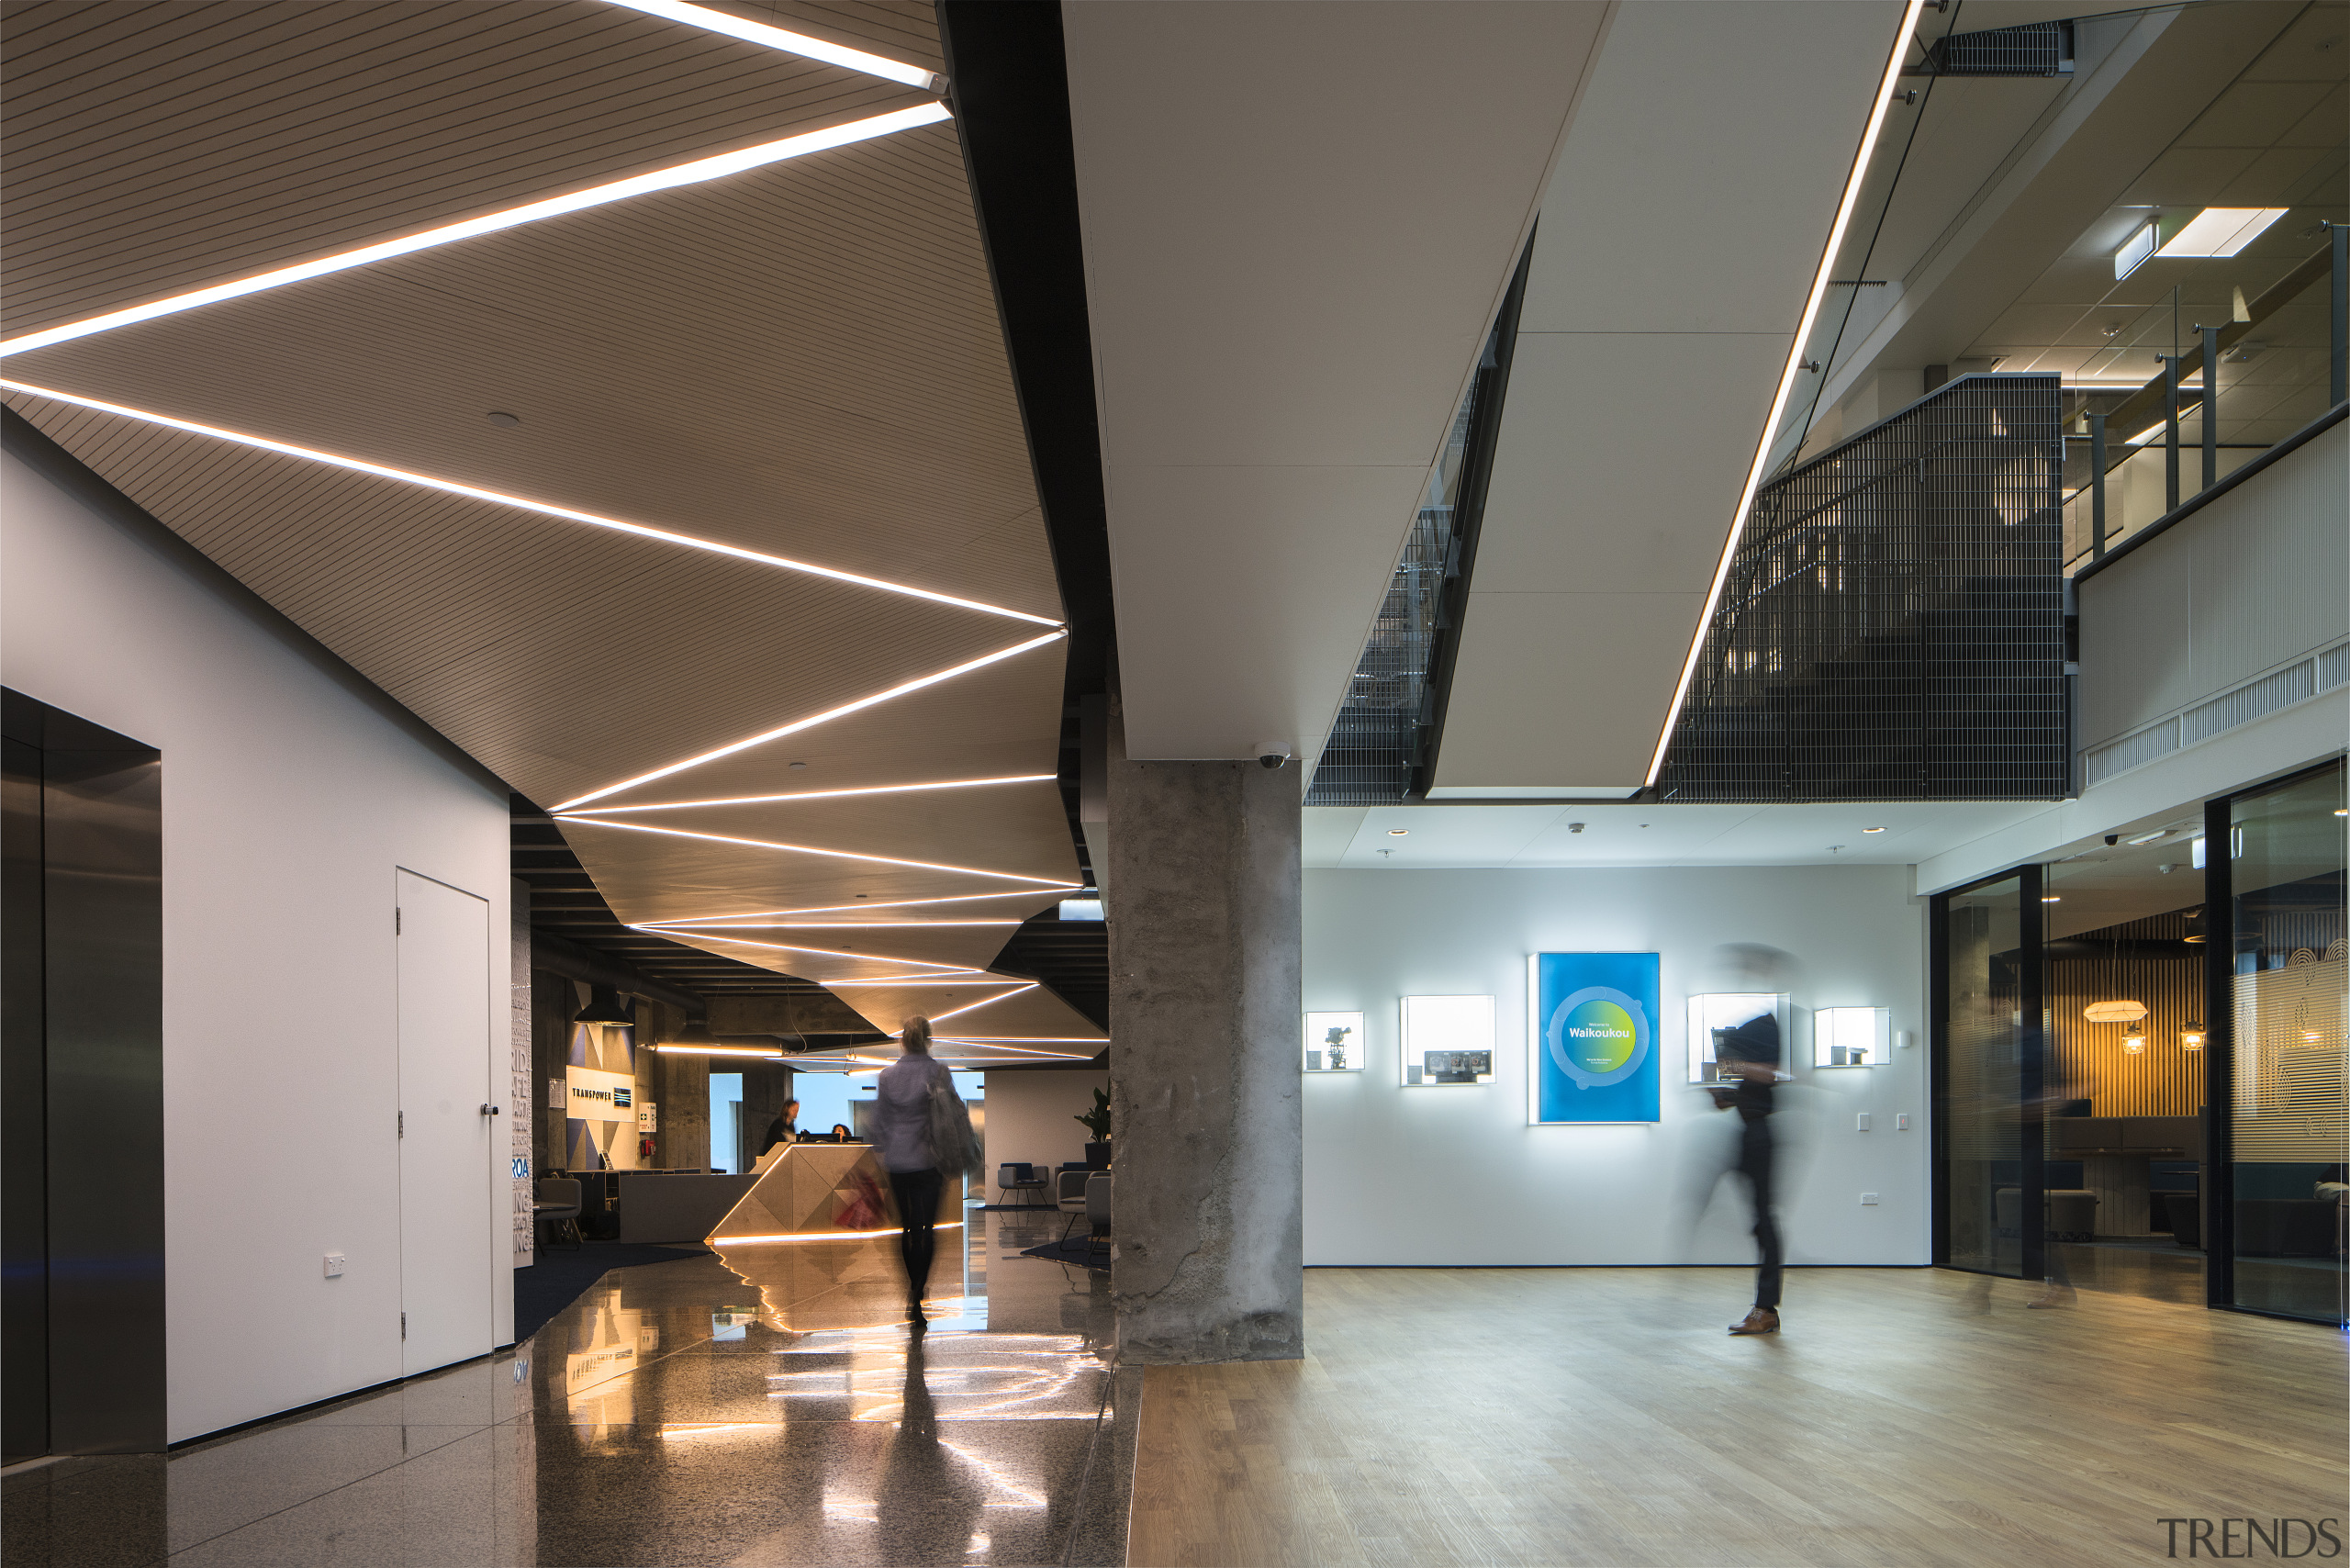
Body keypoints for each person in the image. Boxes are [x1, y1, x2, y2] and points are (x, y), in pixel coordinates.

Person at [869, 1016, 971, 1327]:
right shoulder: (937, 1071)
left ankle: (910, 1287)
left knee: (906, 1228)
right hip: (929, 1161)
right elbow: (952, 1113)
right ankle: (918, 1292)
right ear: (928, 1039)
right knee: (926, 1228)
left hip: (898, 1164)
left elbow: (878, 1124)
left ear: (902, 1040)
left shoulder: (887, 1076)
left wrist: (880, 1151)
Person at [1710, 1008, 1785, 1335]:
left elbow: (1769, 1075)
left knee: (1764, 1219)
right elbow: (1743, 1091)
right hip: (1748, 1133)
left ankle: (1766, 1309)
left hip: (1760, 1135)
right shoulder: (1751, 1039)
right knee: (1760, 1220)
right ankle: (1764, 1307)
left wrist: (1731, 1065)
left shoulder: (1765, 1029)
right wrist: (1724, 1094)